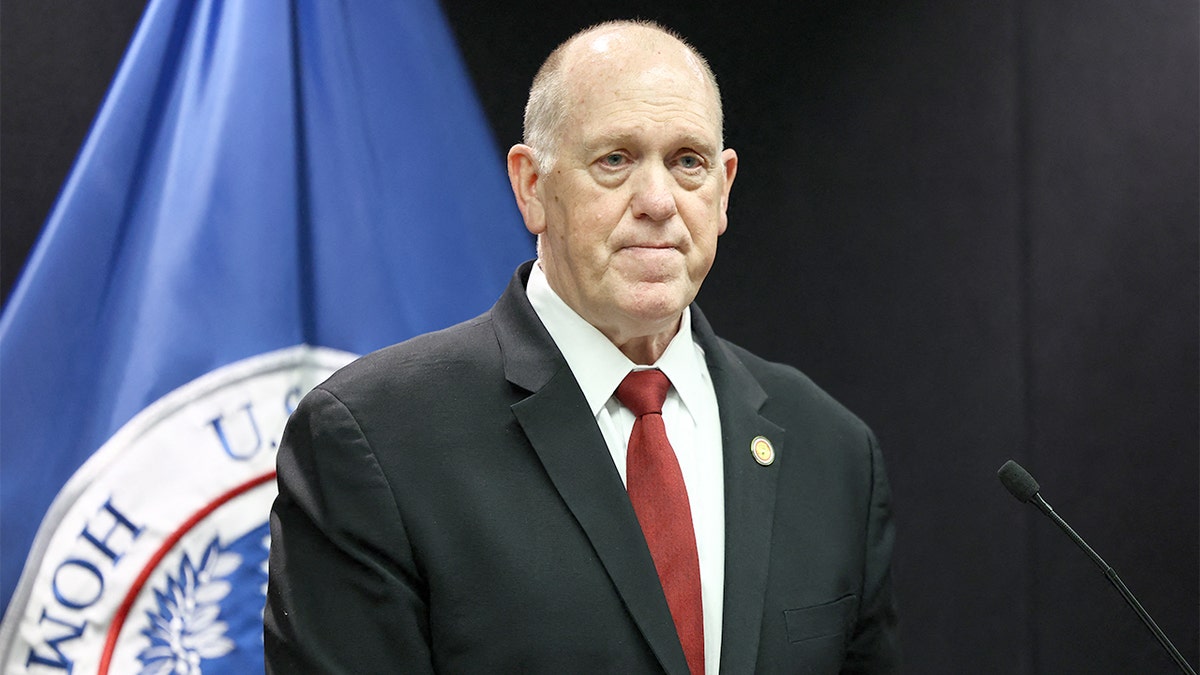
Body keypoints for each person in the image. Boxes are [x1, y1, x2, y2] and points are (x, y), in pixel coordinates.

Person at [264, 19, 898, 674]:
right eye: (615, 160)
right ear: (531, 185)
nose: (658, 201)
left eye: (688, 162)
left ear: (724, 187)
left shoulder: (834, 450)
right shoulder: (374, 440)